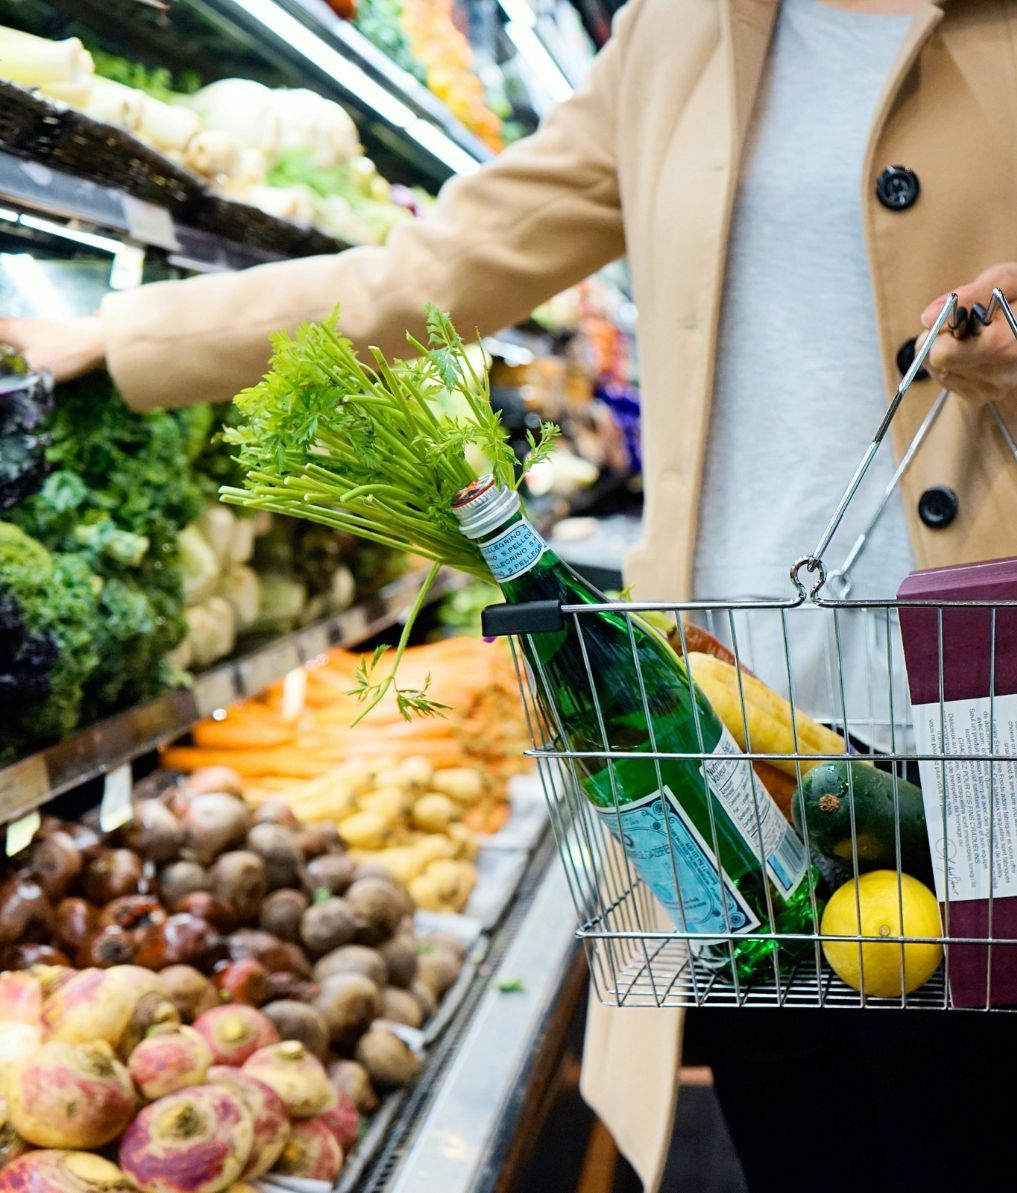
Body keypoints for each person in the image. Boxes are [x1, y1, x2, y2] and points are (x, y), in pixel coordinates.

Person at [4, 1, 1017, 1188]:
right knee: (806, 1146)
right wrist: (119, 332)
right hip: (721, 752)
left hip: (979, 735)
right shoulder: (679, 36)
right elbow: (433, 272)